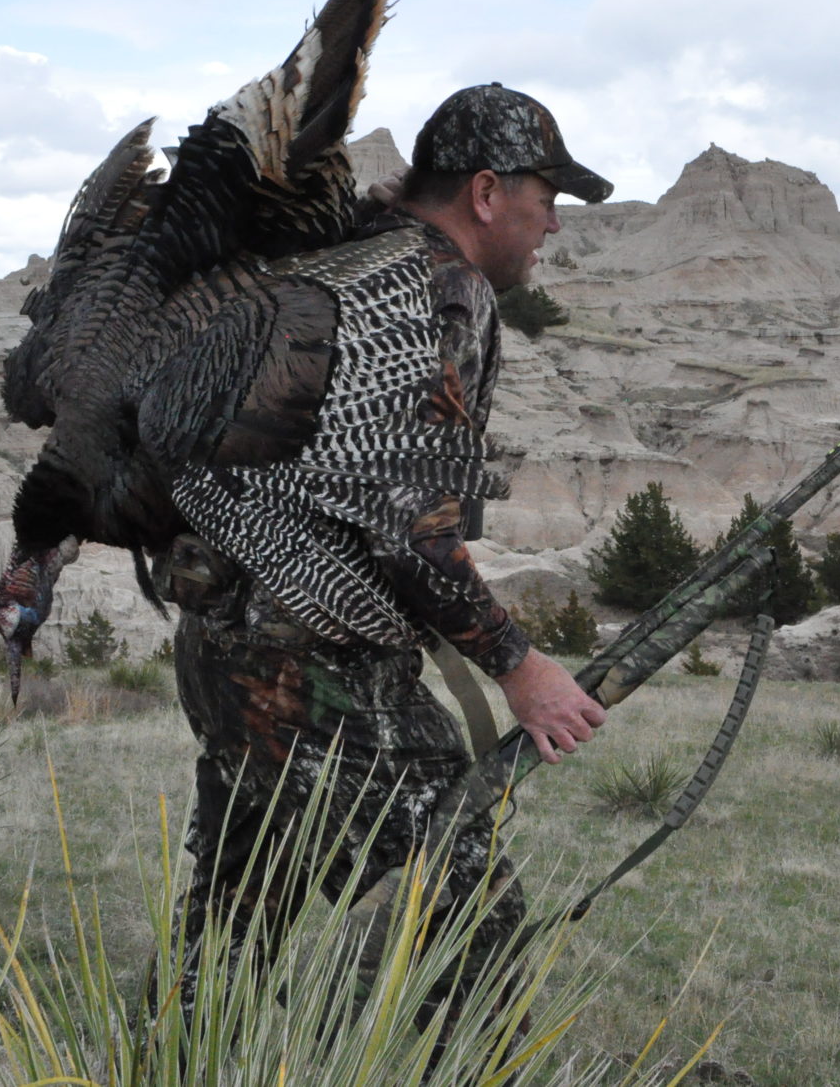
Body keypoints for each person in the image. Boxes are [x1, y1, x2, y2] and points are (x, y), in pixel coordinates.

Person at [162, 82, 613, 1017]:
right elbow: (408, 528)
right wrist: (520, 667)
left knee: (236, 923)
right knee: (465, 921)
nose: (553, 223)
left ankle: (180, 1058)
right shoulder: (441, 290)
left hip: (220, 647)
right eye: (546, 197)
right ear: (486, 193)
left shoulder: (345, 263)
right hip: (314, 671)